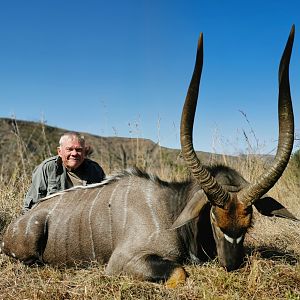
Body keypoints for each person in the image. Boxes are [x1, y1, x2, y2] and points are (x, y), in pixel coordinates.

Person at [23, 132, 105, 212]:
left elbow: (102, 204)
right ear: (59, 152)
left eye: (79, 150)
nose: (74, 153)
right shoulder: (47, 168)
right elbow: (31, 206)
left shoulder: (95, 170)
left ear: (84, 152)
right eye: (69, 149)